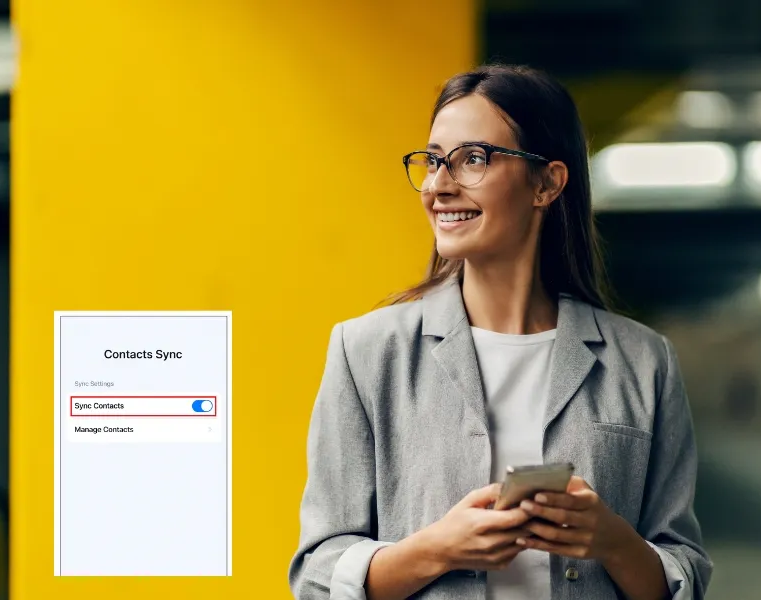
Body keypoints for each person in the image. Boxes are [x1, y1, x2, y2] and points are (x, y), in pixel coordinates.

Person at [288, 64, 712, 600]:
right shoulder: (367, 353)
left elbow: (684, 573)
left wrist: (612, 540)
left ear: (547, 182)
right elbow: (316, 575)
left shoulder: (645, 363)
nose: (440, 185)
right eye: (434, 160)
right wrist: (438, 548)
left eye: (473, 159)